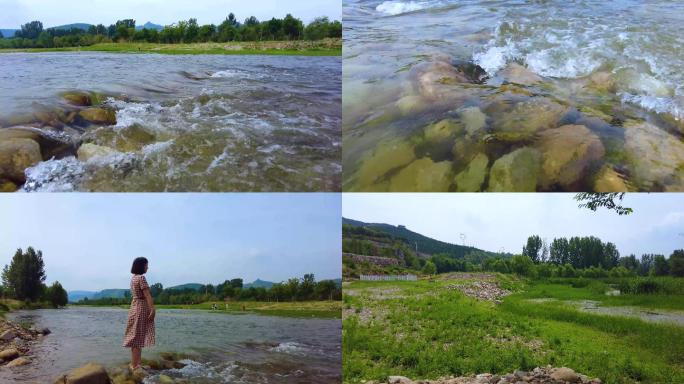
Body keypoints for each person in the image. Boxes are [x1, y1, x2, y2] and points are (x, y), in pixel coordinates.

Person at [122, 257, 156, 372]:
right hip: (141, 307)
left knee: (136, 336)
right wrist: (153, 309)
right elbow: (147, 295)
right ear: (141, 266)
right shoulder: (141, 278)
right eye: (146, 265)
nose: (148, 267)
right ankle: (135, 365)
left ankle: (136, 364)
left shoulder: (133, 278)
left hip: (134, 307)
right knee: (138, 338)